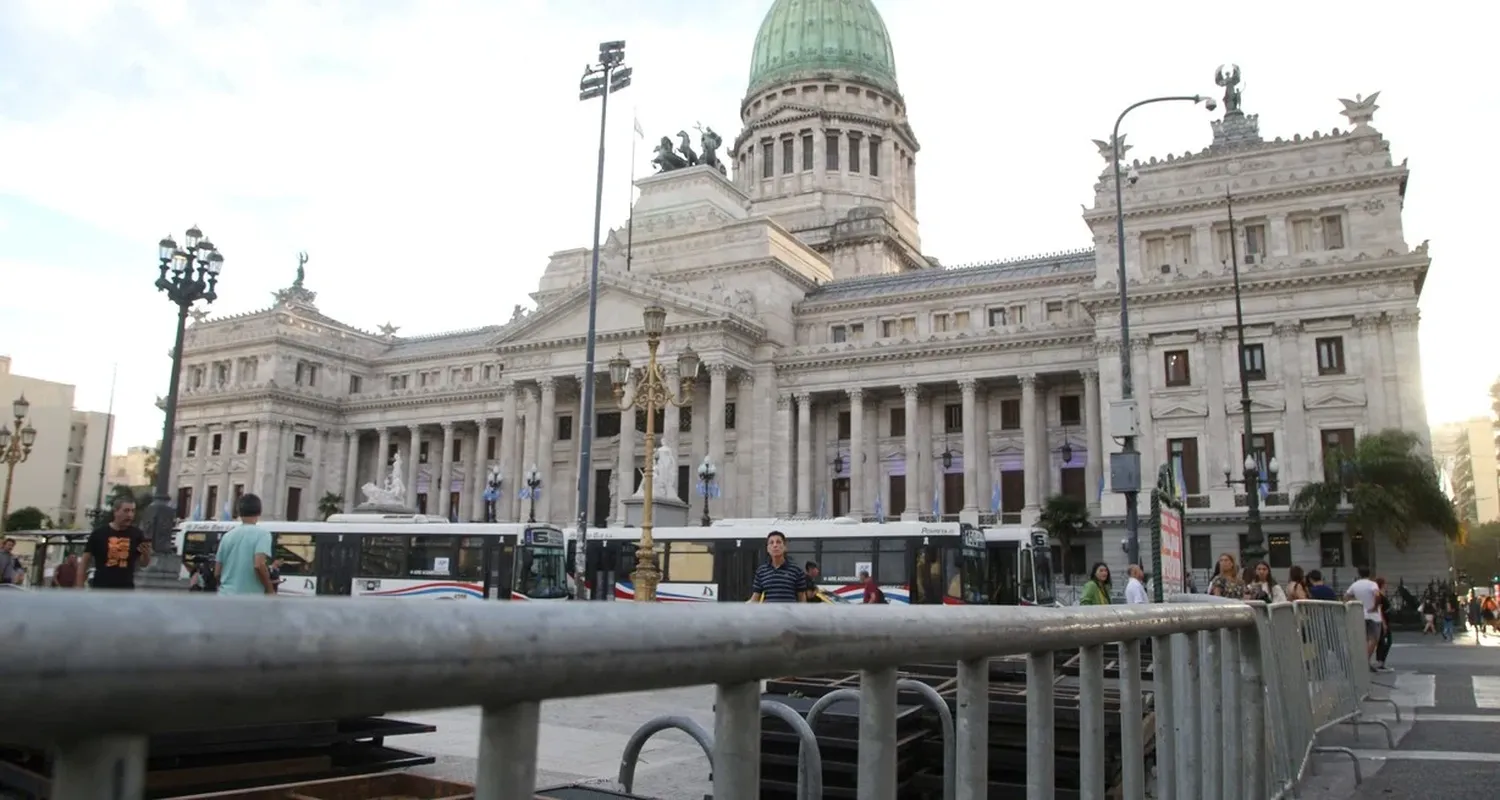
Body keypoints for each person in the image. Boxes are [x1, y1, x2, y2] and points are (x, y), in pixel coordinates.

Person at [78, 497, 151, 590]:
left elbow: (143, 564)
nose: (130, 515)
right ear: (115, 512)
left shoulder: (137, 534)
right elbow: (85, 561)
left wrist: (146, 554)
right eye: (126, 511)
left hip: (125, 589)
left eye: (133, 511)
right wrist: (79, 586)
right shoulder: (99, 533)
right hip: (101, 588)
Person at [215, 494, 277, 596]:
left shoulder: (227, 536)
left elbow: (217, 572)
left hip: (224, 596)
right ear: (259, 511)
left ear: (239, 512)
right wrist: (270, 589)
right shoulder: (263, 535)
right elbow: (259, 565)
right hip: (250, 599)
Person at [749, 531, 813, 603]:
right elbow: (755, 599)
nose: (775, 545)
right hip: (768, 614)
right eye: (771, 543)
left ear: (785, 547)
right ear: (767, 548)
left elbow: (802, 599)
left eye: (778, 542)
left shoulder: (796, 571)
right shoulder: (761, 571)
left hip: (789, 613)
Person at [1345, 567, 1382, 671]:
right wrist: (1374, 607)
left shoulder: (1355, 585)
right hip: (1373, 615)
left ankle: (1362, 660)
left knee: (1364, 639)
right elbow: (1377, 595)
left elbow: (1346, 596)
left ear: (1359, 574)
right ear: (1369, 574)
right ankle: (1365, 660)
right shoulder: (1372, 584)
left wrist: (1354, 603)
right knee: (1373, 639)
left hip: (1361, 614)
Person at [1373, 577, 1394, 671]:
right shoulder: (1379, 596)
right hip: (1383, 621)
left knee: (1384, 641)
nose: (1386, 586)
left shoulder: (1381, 595)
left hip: (1386, 620)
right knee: (1385, 641)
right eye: (1385, 584)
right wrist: (1383, 623)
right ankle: (1380, 661)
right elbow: (1379, 610)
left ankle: (1381, 661)